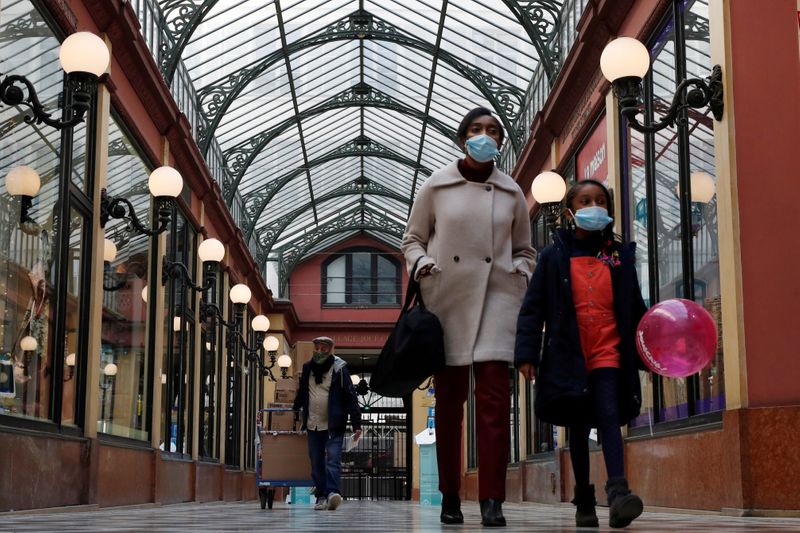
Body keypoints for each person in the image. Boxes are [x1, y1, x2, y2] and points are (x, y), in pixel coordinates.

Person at [402, 107, 536, 527]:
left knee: (495, 402)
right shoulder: (437, 186)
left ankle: (493, 499)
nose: (485, 136)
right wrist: (422, 262)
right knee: (449, 407)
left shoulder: (512, 191)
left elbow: (525, 250)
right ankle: (450, 496)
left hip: (497, 297)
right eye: (476, 129)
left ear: (500, 142)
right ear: (463, 137)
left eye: (493, 131)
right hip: (449, 300)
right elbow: (412, 238)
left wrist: (522, 271)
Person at [514, 179, 648, 529]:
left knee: (607, 414)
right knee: (577, 425)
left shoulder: (619, 256)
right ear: (570, 212)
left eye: (601, 201)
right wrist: (527, 354)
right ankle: (584, 499)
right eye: (586, 201)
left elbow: (634, 307)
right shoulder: (553, 256)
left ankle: (618, 493)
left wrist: (647, 346)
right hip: (568, 354)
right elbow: (533, 308)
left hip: (608, 350)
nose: (594, 206)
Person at [293, 336, 362, 511]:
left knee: (333, 461)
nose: (320, 352)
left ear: (330, 350)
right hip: (312, 424)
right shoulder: (307, 368)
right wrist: (295, 411)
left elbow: (350, 397)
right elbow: (303, 392)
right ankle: (321, 495)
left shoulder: (339, 370)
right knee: (316, 462)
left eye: (324, 349)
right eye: (317, 348)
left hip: (334, 425)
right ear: (314, 348)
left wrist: (357, 425)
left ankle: (332, 493)